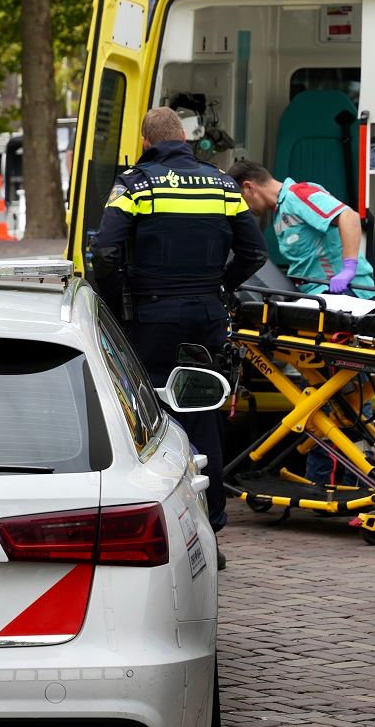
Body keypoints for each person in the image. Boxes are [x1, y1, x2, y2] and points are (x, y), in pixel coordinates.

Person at [90, 108, 267, 556]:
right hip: (206, 314)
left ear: (146, 142)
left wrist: (116, 304)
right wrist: (220, 286)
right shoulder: (223, 184)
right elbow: (255, 252)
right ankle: (210, 526)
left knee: (148, 415)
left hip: (150, 315)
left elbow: (105, 253)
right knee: (203, 410)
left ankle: (163, 527)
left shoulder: (134, 184)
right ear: (185, 139)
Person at [227, 159, 375, 298]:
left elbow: (349, 217)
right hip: (319, 293)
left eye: (240, 198)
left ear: (249, 187)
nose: (243, 207)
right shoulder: (280, 213)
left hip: (345, 292)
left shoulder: (298, 195)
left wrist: (348, 269)